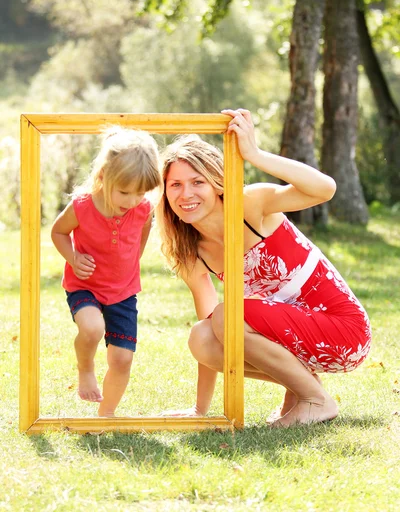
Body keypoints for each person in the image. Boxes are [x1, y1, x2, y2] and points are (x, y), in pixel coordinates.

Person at [156, 108, 371, 427]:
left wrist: (254, 154)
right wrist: (199, 410)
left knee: (227, 316)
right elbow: (212, 326)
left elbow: (324, 189)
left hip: (344, 331)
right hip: (296, 338)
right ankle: (303, 388)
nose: (186, 194)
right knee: (202, 337)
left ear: (216, 182)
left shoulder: (250, 205)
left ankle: (316, 400)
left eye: (197, 182)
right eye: (175, 185)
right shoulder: (194, 254)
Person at [51, 126, 161, 417]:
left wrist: (133, 259)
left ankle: (106, 414)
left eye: (140, 193)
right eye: (125, 192)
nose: (132, 201)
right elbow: (58, 232)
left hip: (123, 292)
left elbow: (144, 229)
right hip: (84, 285)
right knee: (92, 328)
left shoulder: (142, 208)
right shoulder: (83, 206)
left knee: (123, 358)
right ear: (102, 177)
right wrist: (73, 258)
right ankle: (85, 369)